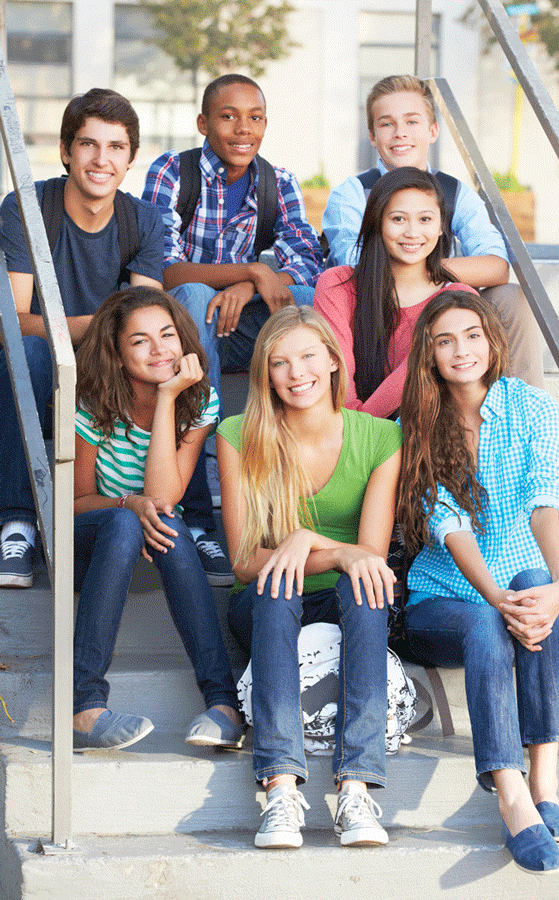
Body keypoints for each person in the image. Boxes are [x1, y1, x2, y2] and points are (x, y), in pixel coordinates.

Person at [217, 305, 402, 849]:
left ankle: (357, 785)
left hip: (345, 598)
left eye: (307, 356)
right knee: (277, 587)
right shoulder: (238, 434)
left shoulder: (380, 439)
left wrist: (307, 540)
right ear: (264, 373)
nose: (296, 373)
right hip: (265, 601)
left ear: (332, 360)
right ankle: (279, 787)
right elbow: (246, 561)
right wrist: (317, 551)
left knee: (368, 589)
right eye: (279, 362)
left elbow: (368, 556)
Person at [397, 289, 559, 875]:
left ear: (493, 341)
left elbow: (546, 503)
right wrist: (495, 596)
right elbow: (448, 523)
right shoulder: (417, 421)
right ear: (430, 355)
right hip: (442, 597)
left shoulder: (534, 408)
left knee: (541, 587)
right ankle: (511, 794)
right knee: (496, 618)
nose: (461, 350)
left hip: (519, 582)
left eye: (471, 335)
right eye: (445, 341)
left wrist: (556, 590)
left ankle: (546, 776)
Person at [142, 73, 323, 566]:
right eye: (228, 116)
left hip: (237, 327)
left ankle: (305, 457)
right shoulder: (173, 173)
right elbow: (162, 265)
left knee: (311, 297)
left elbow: (307, 255)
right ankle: (206, 461)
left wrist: (251, 285)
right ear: (203, 123)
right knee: (197, 292)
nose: (244, 129)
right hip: (184, 331)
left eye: (256, 117)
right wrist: (248, 270)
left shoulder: (277, 180)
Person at [0, 88, 164, 588]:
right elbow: (14, 321)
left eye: (116, 147)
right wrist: (94, 326)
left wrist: (108, 334)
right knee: (24, 352)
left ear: (131, 158)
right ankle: (17, 522)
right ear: (67, 151)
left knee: (165, 357)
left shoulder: (143, 221)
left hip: (111, 368)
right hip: (49, 359)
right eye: (88, 144)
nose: (101, 159)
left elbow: (147, 325)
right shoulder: (28, 207)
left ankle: (186, 516)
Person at [72, 286, 243, 752]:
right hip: (91, 540)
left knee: (166, 521)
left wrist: (168, 399)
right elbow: (75, 503)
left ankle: (223, 706)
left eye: (167, 334)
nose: (159, 349)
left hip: (157, 539)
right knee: (130, 522)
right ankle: (85, 707)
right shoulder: (91, 401)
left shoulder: (197, 400)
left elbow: (165, 496)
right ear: (116, 351)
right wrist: (129, 505)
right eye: (140, 341)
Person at [321, 74, 543, 389]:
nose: (400, 133)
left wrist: (426, 273)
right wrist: (424, 277)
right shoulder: (353, 194)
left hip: (442, 308)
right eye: (387, 124)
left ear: (433, 130)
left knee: (509, 297)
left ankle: (524, 411)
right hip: (376, 315)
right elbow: (356, 267)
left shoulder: (454, 193)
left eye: (412, 122)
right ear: (372, 136)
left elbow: (495, 265)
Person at [315, 166, 476, 419]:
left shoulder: (457, 299)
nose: (412, 232)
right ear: (377, 222)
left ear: (441, 227)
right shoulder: (337, 285)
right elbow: (336, 375)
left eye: (425, 219)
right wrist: (356, 433)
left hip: (424, 435)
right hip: (343, 430)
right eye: (398, 219)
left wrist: (362, 429)